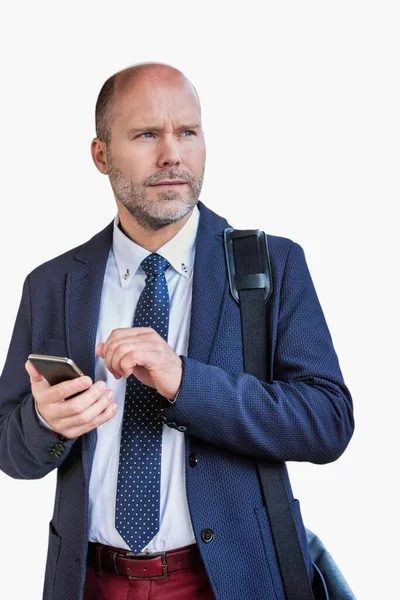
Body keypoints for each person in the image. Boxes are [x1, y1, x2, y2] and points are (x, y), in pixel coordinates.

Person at [0, 61, 354, 600]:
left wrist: (185, 381)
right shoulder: (51, 284)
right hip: (88, 581)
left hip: (228, 581)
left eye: (187, 132)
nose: (173, 154)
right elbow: (10, 451)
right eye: (146, 134)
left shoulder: (271, 265)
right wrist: (44, 421)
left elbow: (328, 422)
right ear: (101, 155)